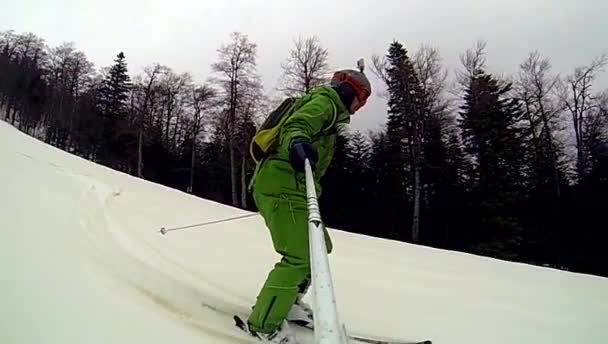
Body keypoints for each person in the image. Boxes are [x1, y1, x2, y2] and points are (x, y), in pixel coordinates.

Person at [245, 68, 372, 343]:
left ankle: (287, 301)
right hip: (280, 184)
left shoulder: (331, 114)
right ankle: (263, 325)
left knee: (318, 248)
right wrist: (298, 143)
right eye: (361, 98)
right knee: (302, 255)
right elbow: (296, 126)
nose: (361, 106)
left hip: (293, 187)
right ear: (348, 90)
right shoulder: (326, 102)